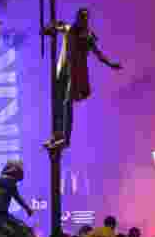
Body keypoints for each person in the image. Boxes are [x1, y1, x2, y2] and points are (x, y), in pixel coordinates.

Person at [44, 8, 123, 151]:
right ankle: (57, 134)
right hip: (63, 72)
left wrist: (110, 63)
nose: (83, 20)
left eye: (85, 18)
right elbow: (58, 26)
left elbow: (98, 54)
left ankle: (65, 139)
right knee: (58, 103)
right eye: (81, 17)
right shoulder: (70, 30)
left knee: (67, 103)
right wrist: (50, 28)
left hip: (76, 75)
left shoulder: (88, 36)